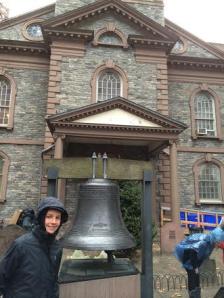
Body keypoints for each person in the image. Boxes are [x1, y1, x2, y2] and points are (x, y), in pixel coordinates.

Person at [0, 196, 68, 298]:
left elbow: (53, 281)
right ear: (41, 218)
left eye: (57, 218)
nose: (53, 221)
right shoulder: (21, 245)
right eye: (49, 216)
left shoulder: (57, 248)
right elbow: (2, 276)